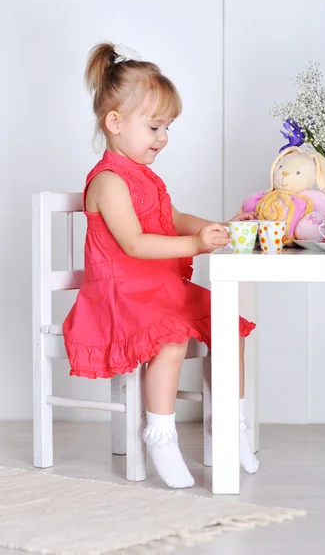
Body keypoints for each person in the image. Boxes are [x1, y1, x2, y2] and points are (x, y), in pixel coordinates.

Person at [63, 42, 259, 488]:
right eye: (154, 126)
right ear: (114, 123)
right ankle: (161, 434)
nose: (163, 138)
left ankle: (231, 422)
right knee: (170, 338)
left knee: (229, 326)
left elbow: (169, 219)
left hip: (160, 287)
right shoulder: (109, 181)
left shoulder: (146, 177)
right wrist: (193, 243)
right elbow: (133, 243)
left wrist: (216, 226)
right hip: (120, 294)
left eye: (168, 127)